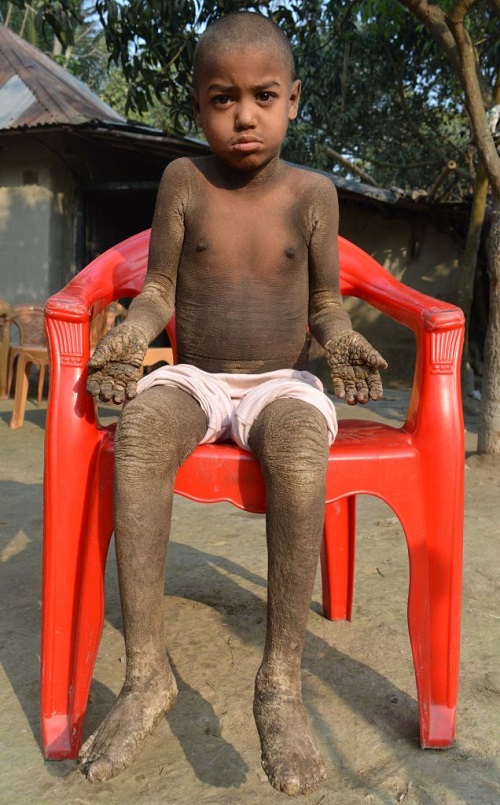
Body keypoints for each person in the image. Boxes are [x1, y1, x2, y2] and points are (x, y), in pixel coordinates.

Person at [82, 11, 387, 797]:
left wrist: (341, 338)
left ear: (293, 100)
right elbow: (158, 288)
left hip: (281, 382)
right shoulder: (184, 183)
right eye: (223, 99)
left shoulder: (312, 194)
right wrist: (131, 333)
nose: (243, 115)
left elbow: (325, 303)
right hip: (199, 376)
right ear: (198, 106)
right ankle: (146, 673)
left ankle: (279, 682)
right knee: (140, 431)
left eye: (263, 96)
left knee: (299, 449)